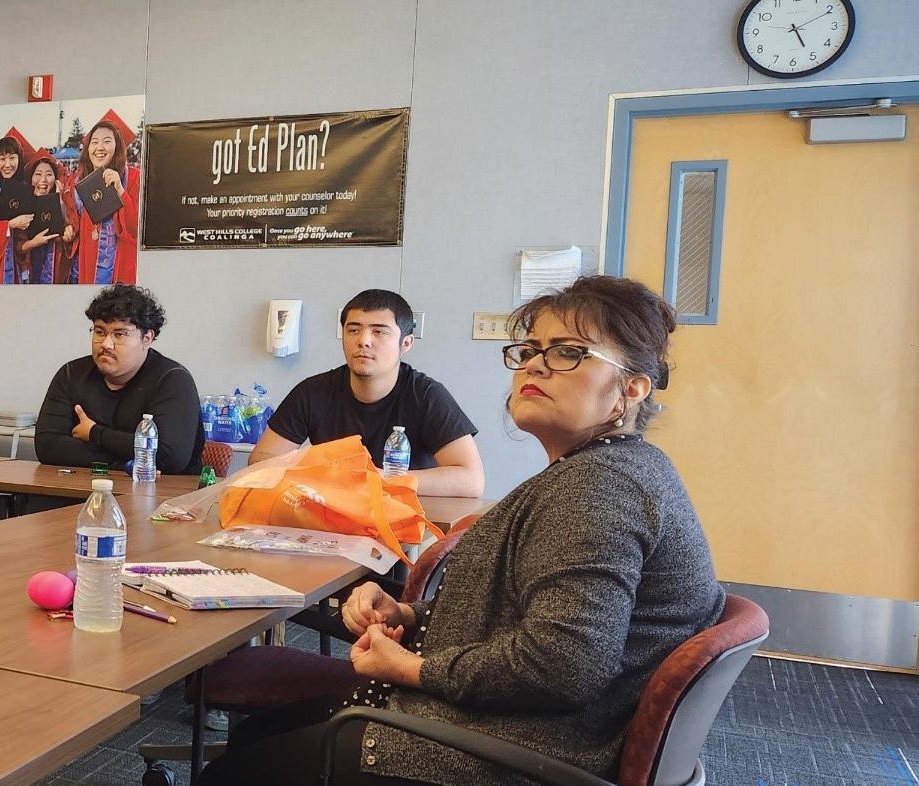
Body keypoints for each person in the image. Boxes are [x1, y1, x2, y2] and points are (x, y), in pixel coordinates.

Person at [200, 275, 727, 786]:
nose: (534, 365)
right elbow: (524, 613)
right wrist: (408, 614)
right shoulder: (607, 470)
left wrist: (409, 669)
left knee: (233, 770)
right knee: (257, 735)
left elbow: (563, 665)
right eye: (530, 350)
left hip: (516, 748)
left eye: (567, 352)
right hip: (512, 727)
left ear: (630, 390)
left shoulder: (598, 487)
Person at [250, 289, 484, 497]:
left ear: (406, 343)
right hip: (331, 515)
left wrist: (379, 479)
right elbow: (260, 462)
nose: (363, 341)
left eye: (379, 332)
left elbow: (471, 480)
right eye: (353, 330)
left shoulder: (426, 395)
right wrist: (318, 471)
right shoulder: (312, 392)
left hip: (405, 517)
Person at [35, 284, 203, 473]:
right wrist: (126, 464)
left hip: (161, 490)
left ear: (147, 338)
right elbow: (47, 446)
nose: (106, 344)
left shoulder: (173, 380)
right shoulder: (71, 374)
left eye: (119, 334)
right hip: (82, 485)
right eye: (99, 332)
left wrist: (94, 433)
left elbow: (168, 456)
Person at [63, 118, 139, 285]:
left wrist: (120, 191)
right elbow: (74, 225)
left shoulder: (133, 178)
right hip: (86, 269)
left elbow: (135, 230)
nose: (100, 147)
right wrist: (69, 231)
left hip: (119, 270)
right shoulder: (77, 183)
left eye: (107, 141)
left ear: (117, 146)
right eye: (94, 142)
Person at [0, 127, 36, 284]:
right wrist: (10, 224)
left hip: (16, 260)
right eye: (2, 159)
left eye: (12, 158)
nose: (7, 164)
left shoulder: (23, 188)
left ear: (19, 159)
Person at [15, 149, 68, 285]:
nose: (43, 180)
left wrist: (60, 200)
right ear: (31, 178)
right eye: (38, 174)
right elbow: (17, 247)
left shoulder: (64, 204)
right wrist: (34, 243)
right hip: (29, 273)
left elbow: (70, 235)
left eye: (49, 174)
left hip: (55, 274)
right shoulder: (21, 206)